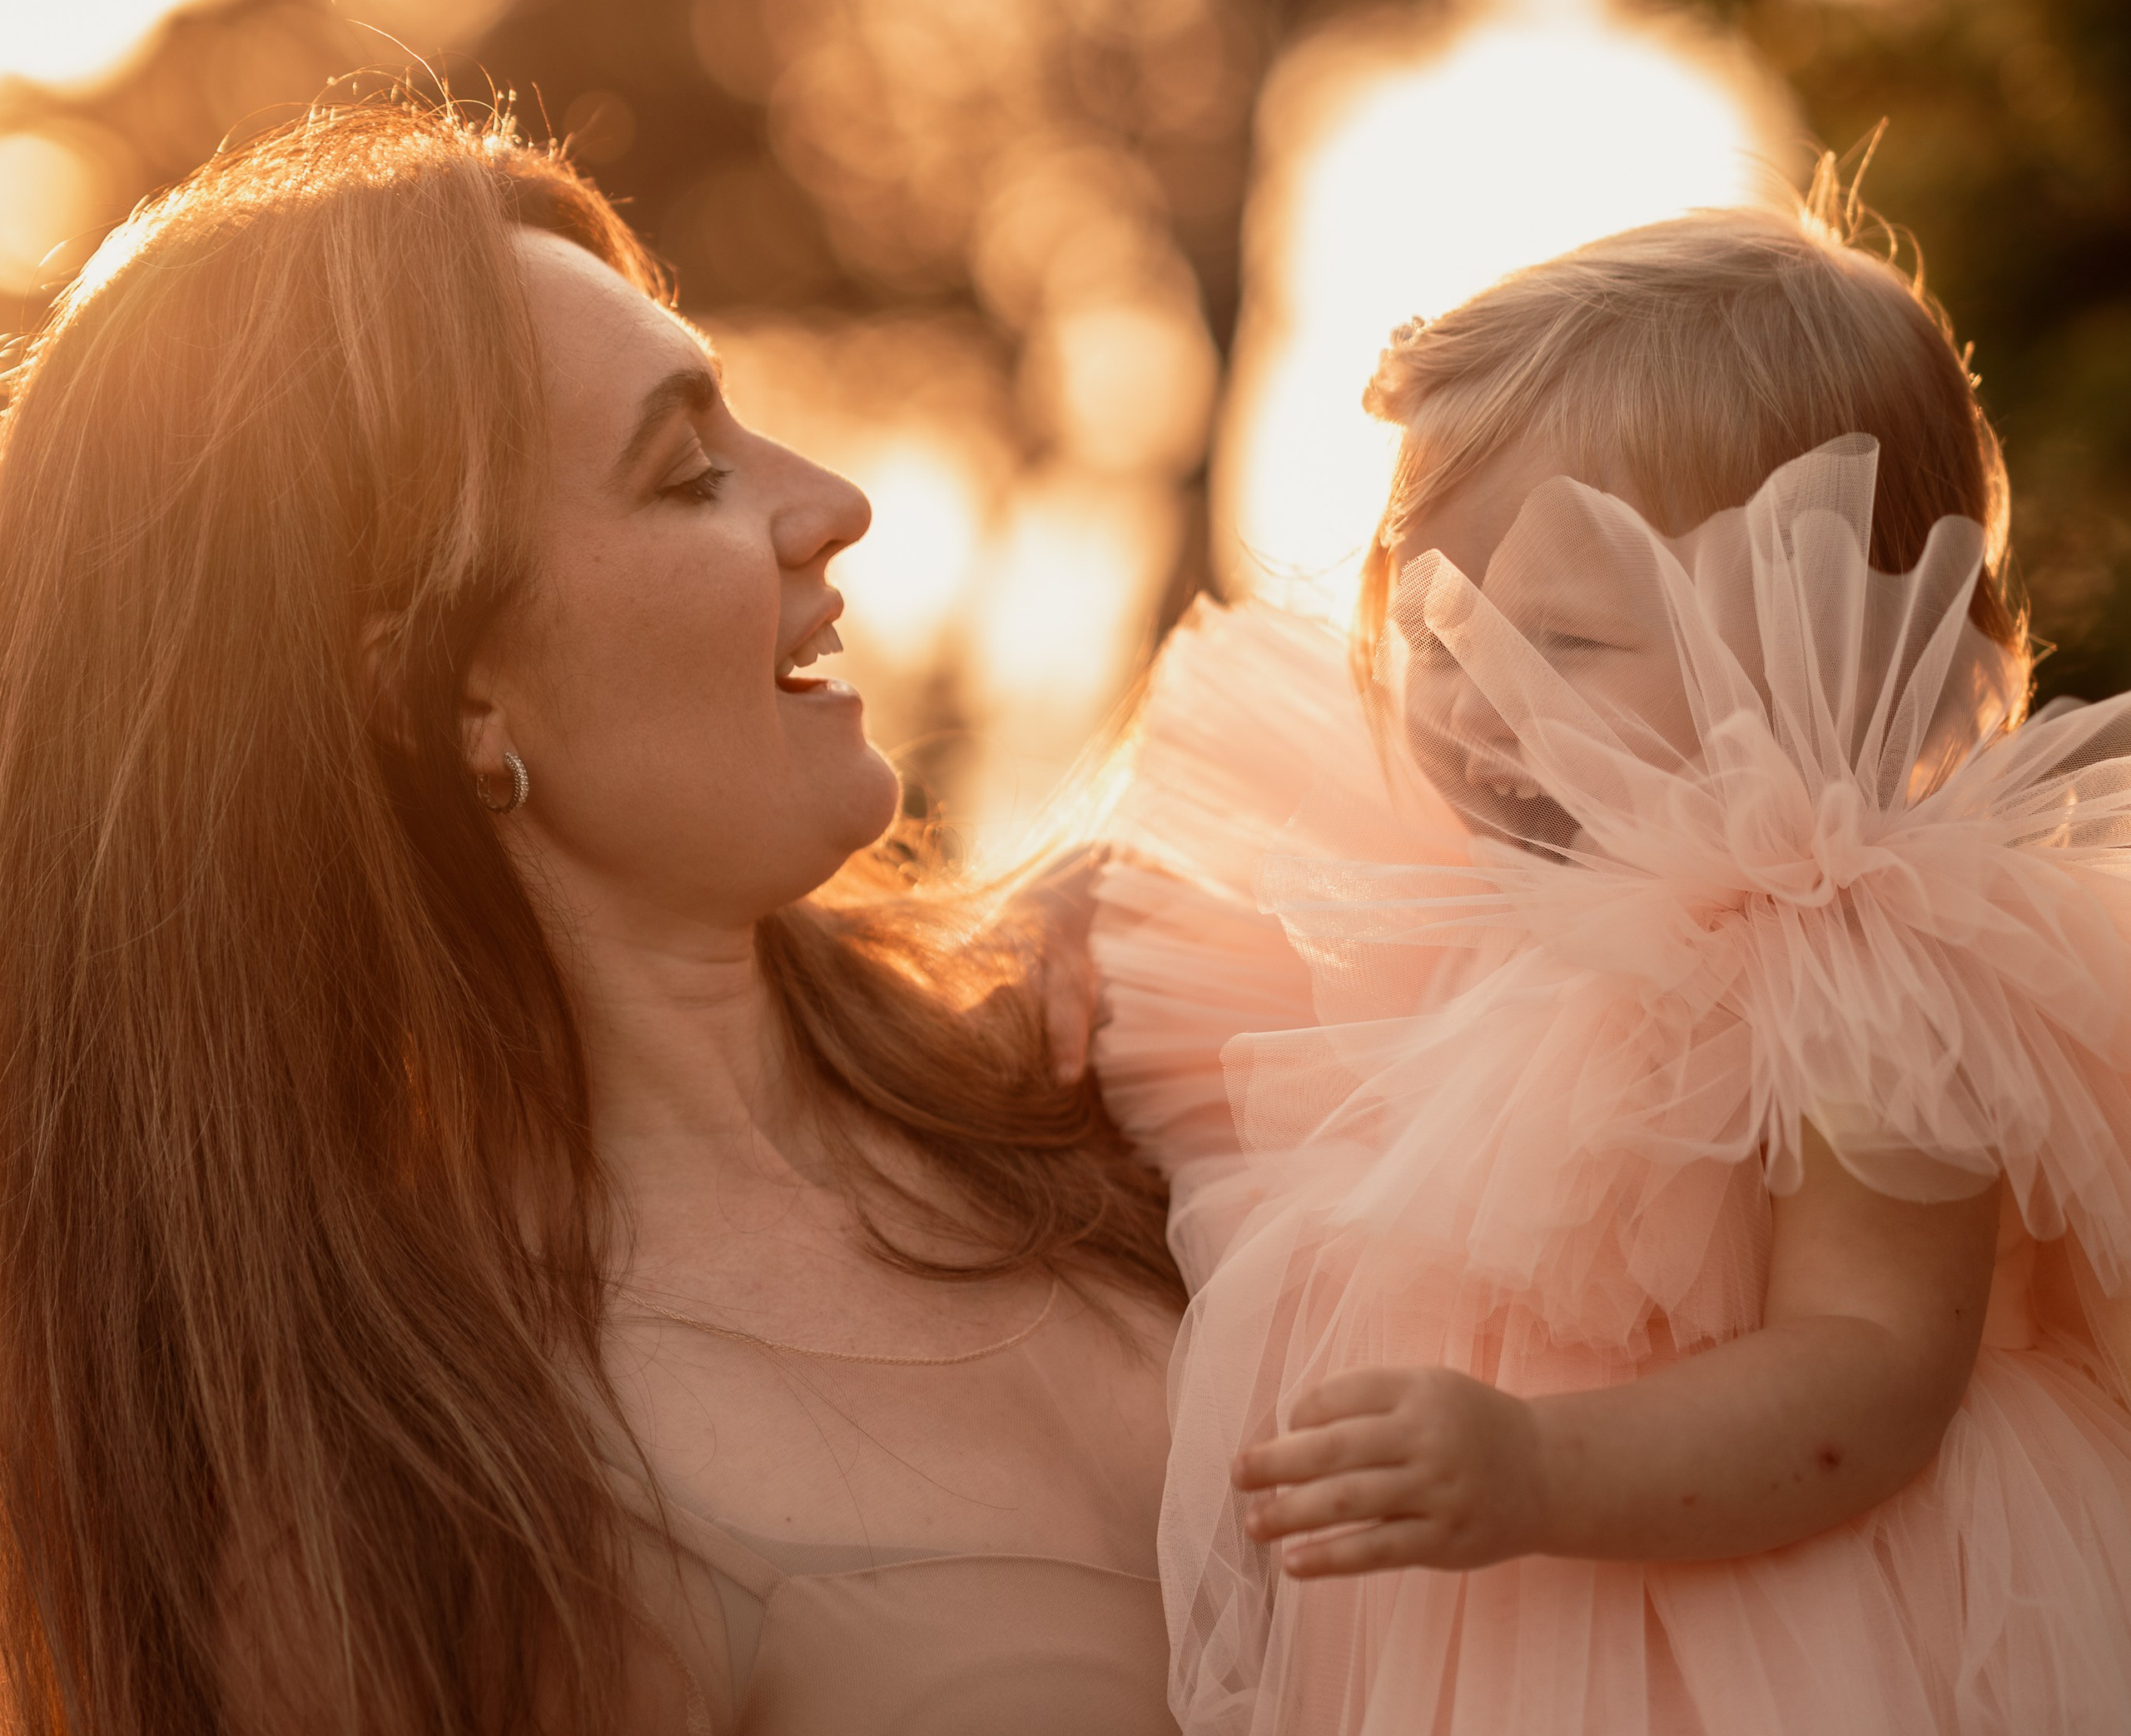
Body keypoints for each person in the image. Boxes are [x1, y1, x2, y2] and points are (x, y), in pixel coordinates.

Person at [0, 102, 1183, 1735]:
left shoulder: (1108, 1055)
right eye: (687, 471)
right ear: (444, 689)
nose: (831, 500)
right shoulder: (434, 1506)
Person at [1091, 200, 2131, 1734]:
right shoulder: (1451, 898)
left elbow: (1872, 1366)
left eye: (1564, 646)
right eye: (1440, 634)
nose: (1475, 707)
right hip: (1470, 1601)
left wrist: (1536, 1466)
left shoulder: (1850, 953)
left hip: (1774, 1620)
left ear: (1831, 638)